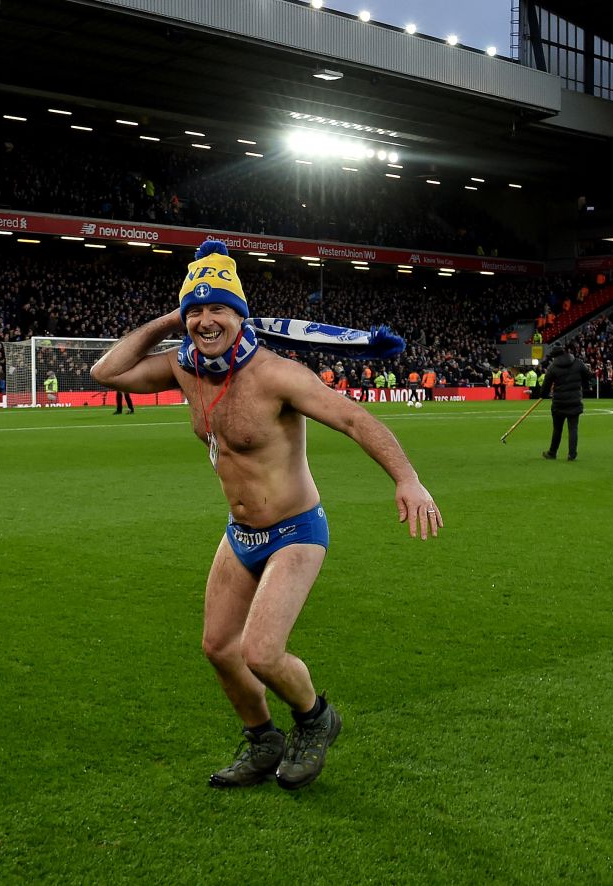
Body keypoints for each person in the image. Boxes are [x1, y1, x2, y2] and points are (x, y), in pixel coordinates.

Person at [90, 240, 442, 791]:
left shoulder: (277, 375)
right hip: (240, 533)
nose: (206, 322)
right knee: (219, 650)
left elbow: (353, 420)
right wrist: (174, 315)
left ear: (241, 315)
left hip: (296, 530)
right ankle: (262, 740)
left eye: (219, 310)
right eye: (197, 312)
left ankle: (315, 719)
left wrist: (407, 478)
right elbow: (107, 371)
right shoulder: (186, 368)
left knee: (260, 651)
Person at [541, 343, 592, 462]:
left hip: (559, 402)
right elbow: (588, 376)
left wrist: (543, 395)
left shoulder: (553, 367)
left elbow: (546, 386)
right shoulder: (578, 362)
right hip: (574, 401)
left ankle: (552, 452)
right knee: (573, 428)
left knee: (557, 429)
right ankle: (572, 454)